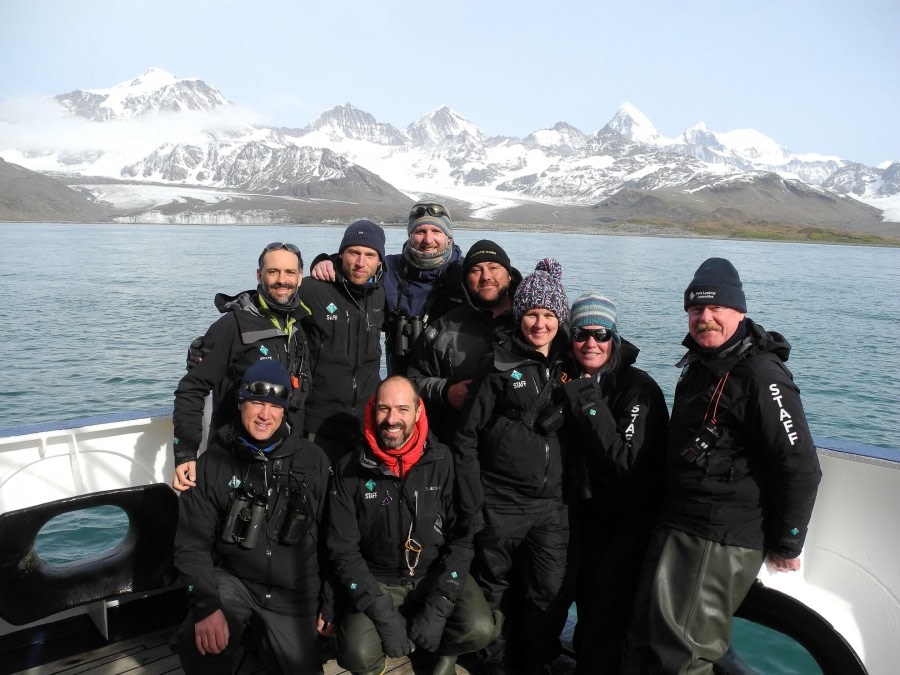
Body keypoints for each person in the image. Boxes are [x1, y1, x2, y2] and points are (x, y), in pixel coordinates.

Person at [621, 257, 822, 675]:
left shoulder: (762, 375)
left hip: (719, 535)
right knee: (646, 638)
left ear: (740, 312)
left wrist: (788, 542)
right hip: (681, 522)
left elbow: (799, 463)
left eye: (717, 309)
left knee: (683, 656)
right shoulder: (701, 364)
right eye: (696, 309)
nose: (705, 318)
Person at [326, 376, 498, 675]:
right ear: (372, 410)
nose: (392, 419)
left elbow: (463, 537)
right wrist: (382, 615)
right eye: (384, 409)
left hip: (433, 574)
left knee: (479, 628)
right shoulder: (348, 469)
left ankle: (445, 657)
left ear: (418, 412)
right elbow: (343, 550)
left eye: (402, 409)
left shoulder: (443, 460)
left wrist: (439, 605)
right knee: (356, 654)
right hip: (378, 579)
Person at [169, 359, 330, 674]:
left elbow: (333, 538)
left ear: (286, 410)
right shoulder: (212, 463)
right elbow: (191, 545)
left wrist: (331, 603)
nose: (264, 415)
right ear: (241, 402)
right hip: (235, 583)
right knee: (197, 640)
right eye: (256, 402)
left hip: (294, 593)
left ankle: (258, 648)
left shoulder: (313, 460)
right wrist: (206, 608)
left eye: (274, 405)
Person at [453, 259, 574, 674]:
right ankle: (492, 664)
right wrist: (474, 499)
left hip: (551, 506)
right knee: (494, 588)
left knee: (548, 591)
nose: (539, 324)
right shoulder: (498, 365)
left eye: (548, 315)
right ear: (520, 315)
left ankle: (535, 661)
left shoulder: (569, 367)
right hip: (500, 501)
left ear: (560, 318)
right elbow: (467, 437)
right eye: (532, 314)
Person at [558, 294, 668, 674]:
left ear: (614, 339)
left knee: (607, 613)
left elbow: (625, 461)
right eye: (581, 334)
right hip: (581, 514)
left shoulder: (638, 388)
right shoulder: (564, 377)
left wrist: (586, 398)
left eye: (601, 334)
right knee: (580, 602)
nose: (591, 343)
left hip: (627, 520)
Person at [172, 242, 311, 492]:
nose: (282, 280)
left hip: (282, 460)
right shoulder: (233, 325)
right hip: (232, 460)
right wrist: (186, 452)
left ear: (300, 278)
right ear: (259, 275)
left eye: (290, 272)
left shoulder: (299, 326)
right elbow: (191, 388)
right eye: (273, 272)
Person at [311, 202, 464, 375]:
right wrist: (328, 262)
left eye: (436, 231)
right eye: (420, 231)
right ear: (410, 235)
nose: (428, 240)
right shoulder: (390, 269)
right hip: (400, 382)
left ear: (449, 236)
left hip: (451, 383)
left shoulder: (466, 273)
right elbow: (358, 269)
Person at [407, 239, 522, 444]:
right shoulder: (443, 328)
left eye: (494, 268)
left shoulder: (532, 322)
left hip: (519, 447)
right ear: (466, 279)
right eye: (476, 270)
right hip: (459, 442)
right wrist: (446, 391)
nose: (486, 276)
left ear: (510, 275)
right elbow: (414, 381)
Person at [298, 220, 386, 464]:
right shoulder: (312, 290)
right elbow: (271, 306)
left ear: (379, 261)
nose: (361, 262)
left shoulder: (380, 293)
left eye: (369, 254)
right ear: (341, 254)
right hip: (319, 422)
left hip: (366, 423)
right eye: (354, 253)